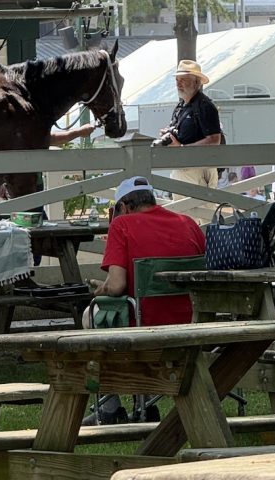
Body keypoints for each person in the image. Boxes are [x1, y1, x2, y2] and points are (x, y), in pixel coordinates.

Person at [82, 176, 206, 424]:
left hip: (145, 323)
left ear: (123, 207)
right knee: (134, 309)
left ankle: (110, 408)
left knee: (91, 315)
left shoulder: (122, 224)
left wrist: (102, 289)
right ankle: (145, 405)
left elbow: (117, 286)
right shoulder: (188, 222)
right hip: (191, 321)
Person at [158, 59, 222, 192]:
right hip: (181, 168)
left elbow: (214, 140)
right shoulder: (181, 106)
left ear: (196, 82)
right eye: (177, 80)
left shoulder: (205, 106)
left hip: (199, 170)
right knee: (180, 205)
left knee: (200, 206)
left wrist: (182, 148)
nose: (178, 84)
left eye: (183, 80)